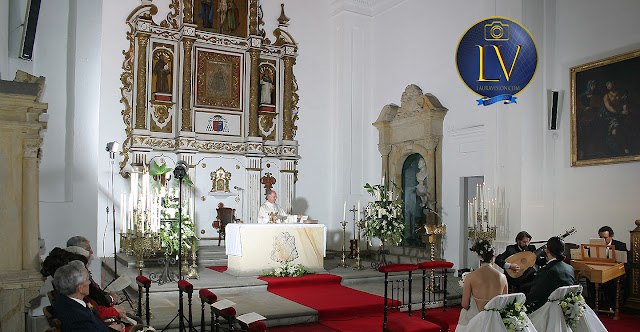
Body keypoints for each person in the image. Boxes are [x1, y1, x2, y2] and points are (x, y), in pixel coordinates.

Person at [52, 260, 125, 331]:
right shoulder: (80, 318)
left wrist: (110, 328)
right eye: (87, 280)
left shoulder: (62, 299)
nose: (89, 282)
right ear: (80, 288)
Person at [455, 240, 508, 331]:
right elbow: (504, 303)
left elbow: (465, 304)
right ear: (493, 258)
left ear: (479, 259)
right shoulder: (502, 277)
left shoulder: (471, 277)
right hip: (495, 321)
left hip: (476, 319)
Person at [526, 237, 576, 312]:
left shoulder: (546, 270)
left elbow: (534, 295)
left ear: (547, 250)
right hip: (566, 307)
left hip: (548, 310)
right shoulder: (570, 268)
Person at [67, 236, 119, 307]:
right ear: (79, 252)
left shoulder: (73, 267)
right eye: (88, 249)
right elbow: (92, 300)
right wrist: (110, 298)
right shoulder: (77, 272)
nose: (91, 252)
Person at [588, 226, 629, 311]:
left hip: (614, 273)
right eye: (601, 237)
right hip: (600, 272)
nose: (603, 240)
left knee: (612, 282)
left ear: (611, 237)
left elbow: (627, 263)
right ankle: (595, 306)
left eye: (605, 238)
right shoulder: (595, 246)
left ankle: (612, 306)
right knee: (590, 279)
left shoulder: (620, 246)